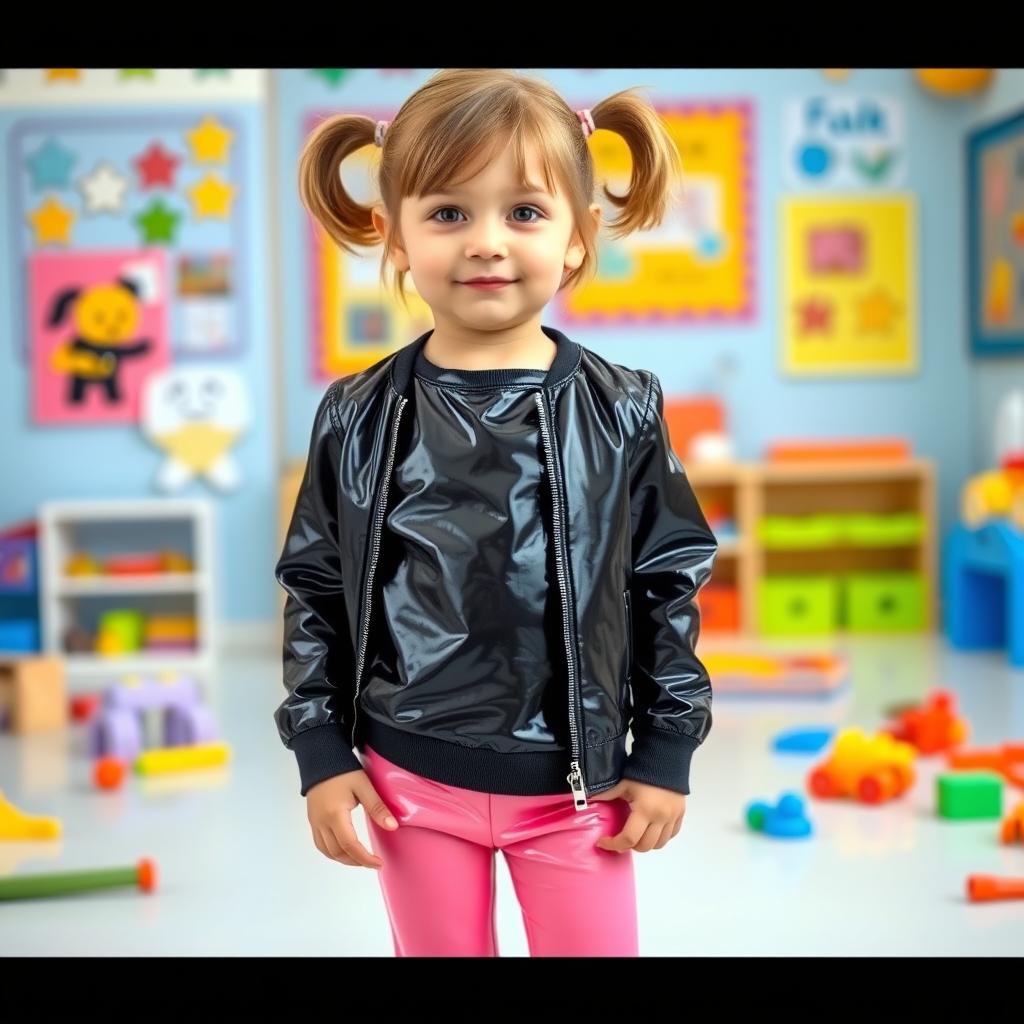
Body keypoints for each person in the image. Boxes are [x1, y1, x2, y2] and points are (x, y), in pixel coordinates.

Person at [274, 68, 718, 957]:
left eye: (523, 212)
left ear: (580, 238)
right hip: (408, 783)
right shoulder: (356, 412)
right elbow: (315, 585)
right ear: (392, 232)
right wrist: (321, 749)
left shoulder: (623, 405)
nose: (486, 242)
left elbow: (666, 581)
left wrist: (666, 748)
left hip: (578, 789)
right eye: (447, 213)